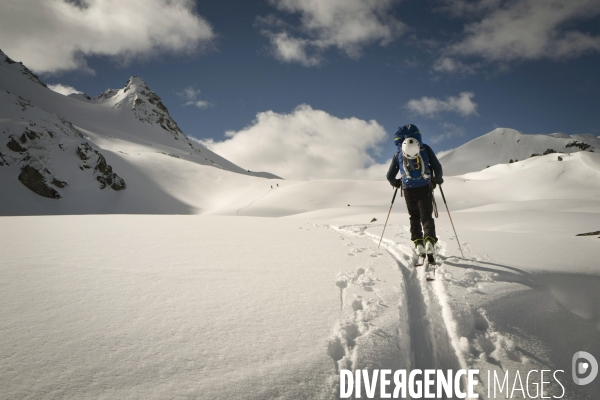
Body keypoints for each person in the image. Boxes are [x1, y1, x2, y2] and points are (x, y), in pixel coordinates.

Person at [386, 124, 443, 256]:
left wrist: (397, 183)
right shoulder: (425, 148)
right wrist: (437, 180)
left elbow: (389, 176)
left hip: (408, 189)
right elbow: (437, 167)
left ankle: (418, 243)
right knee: (426, 216)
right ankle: (429, 240)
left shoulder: (398, 154)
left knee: (414, 216)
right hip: (425, 187)